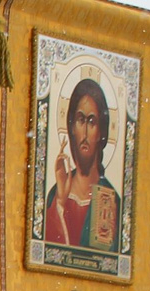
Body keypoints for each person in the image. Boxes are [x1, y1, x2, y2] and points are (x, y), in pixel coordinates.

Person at [43, 78, 122, 255]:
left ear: (101, 131)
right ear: (71, 127)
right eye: (80, 120)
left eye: (92, 122)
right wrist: (60, 205)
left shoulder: (113, 200)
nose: (85, 133)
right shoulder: (55, 195)